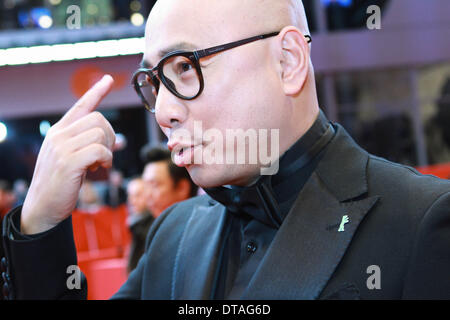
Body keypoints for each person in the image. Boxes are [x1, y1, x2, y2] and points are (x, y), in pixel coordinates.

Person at [1, 0, 450, 300]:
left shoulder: (419, 223)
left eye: (186, 66)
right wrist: (39, 225)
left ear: (288, 62)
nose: (164, 111)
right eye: (155, 82)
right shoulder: (171, 238)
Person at [125, 177, 154, 274]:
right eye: (130, 195)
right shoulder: (136, 225)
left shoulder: (152, 226)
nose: (132, 201)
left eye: (137, 195)